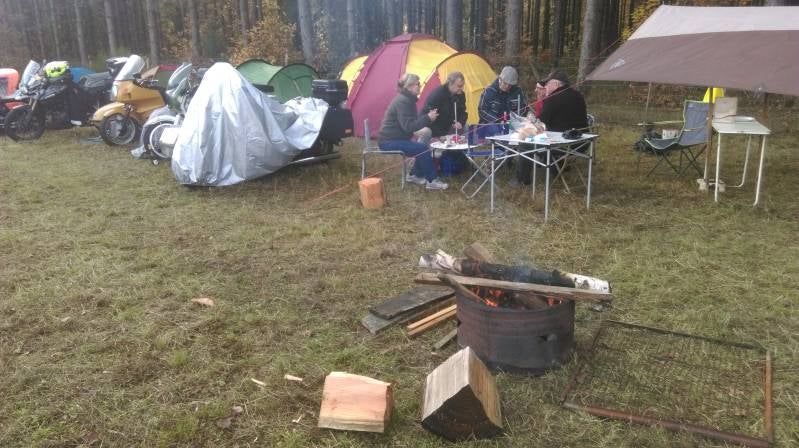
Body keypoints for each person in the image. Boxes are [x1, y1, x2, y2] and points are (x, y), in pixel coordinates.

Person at [514, 70, 588, 186]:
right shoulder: (578, 95)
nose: (546, 87)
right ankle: (556, 170)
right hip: (583, 143)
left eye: (548, 84)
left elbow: (539, 123)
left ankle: (522, 181)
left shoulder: (553, 98)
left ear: (556, 84)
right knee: (548, 138)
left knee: (525, 144)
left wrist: (526, 124)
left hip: (563, 145)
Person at [378, 73, 449, 190]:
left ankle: (414, 175)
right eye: (417, 84)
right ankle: (432, 181)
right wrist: (428, 118)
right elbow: (408, 126)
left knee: (421, 146)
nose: (419, 86)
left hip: (395, 138)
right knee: (422, 149)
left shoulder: (407, 100)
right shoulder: (403, 101)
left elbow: (409, 124)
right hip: (388, 141)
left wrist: (426, 121)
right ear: (409, 86)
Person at [477, 66, 527, 138]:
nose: (507, 86)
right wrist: (498, 121)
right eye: (505, 83)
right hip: (491, 127)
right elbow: (482, 111)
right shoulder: (489, 91)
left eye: (510, 85)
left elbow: (524, 107)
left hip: (512, 126)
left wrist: (514, 119)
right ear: (500, 79)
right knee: (495, 131)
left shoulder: (517, 91)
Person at [420, 71, 467, 140]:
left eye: (463, 85)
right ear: (450, 84)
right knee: (426, 131)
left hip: (449, 125)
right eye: (459, 86)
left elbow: (463, 112)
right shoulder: (437, 95)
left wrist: (460, 122)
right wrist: (441, 135)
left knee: (466, 126)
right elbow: (428, 118)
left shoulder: (461, 95)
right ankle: (422, 147)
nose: (462, 88)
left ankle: (464, 147)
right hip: (434, 127)